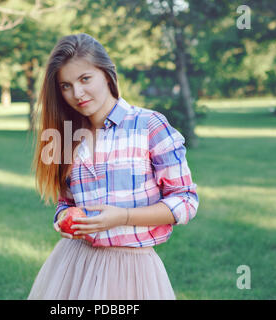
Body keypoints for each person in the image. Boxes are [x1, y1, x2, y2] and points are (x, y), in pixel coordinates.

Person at [28, 33, 199, 300]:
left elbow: (186, 200)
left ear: (107, 74)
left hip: (132, 269)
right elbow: (66, 202)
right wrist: (63, 218)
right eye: (66, 86)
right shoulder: (66, 135)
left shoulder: (149, 126)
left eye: (85, 79)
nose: (77, 93)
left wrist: (124, 217)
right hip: (75, 265)